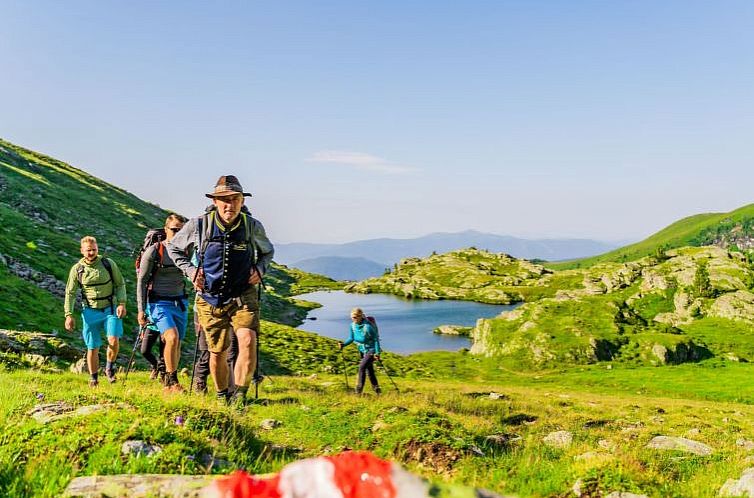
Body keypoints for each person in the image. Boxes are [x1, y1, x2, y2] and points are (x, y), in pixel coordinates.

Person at [168, 175, 274, 405]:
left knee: (247, 339)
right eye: (224, 199)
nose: (230, 204)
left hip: (243, 295)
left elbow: (268, 251)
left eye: (235, 199)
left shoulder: (251, 226)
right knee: (217, 352)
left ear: (242, 201)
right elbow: (174, 249)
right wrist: (191, 271)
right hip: (209, 298)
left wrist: (260, 269)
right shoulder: (199, 225)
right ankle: (222, 396)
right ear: (215, 201)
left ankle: (239, 397)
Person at [64, 236, 127, 387]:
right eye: (88, 250)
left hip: (110, 308)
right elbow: (70, 293)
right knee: (92, 346)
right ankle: (94, 378)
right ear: (82, 251)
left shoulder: (108, 264)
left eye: (94, 250)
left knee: (113, 339)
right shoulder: (77, 269)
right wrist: (68, 314)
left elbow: (120, 284)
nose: (91, 253)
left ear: (97, 249)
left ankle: (109, 368)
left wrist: (122, 303)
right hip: (90, 311)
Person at [137, 213, 189, 392]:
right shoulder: (155, 250)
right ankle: (173, 382)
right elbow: (142, 281)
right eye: (174, 230)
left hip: (180, 302)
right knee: (171, 337)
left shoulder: (188, 250)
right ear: (166, 229)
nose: (178, 234)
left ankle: (167, 381)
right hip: (158, 303)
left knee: (177, 344)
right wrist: (141, 309)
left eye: (182, 231)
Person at [339, 307, 381, 394]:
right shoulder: (352, 325)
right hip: (362, 349)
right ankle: (377, 391)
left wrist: (377, 353)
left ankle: (358, 391)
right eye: (352, 317)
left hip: (371, 349)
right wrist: (344, 344)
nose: (353, 319)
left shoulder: (367, 327)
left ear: (360, 316)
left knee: (362, 367)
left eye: (355, 317)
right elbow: (351, 338)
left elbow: (376, 339)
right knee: (369, 371)